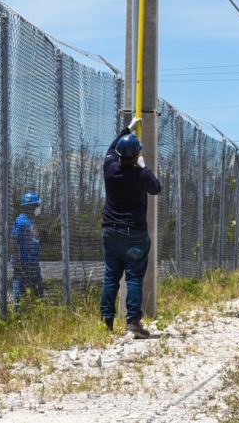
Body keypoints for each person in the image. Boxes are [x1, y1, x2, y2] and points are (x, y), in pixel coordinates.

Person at [100, 117, 162, 338]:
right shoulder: (141, 174)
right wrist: (144, 166)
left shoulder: (109, 168)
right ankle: (133, 324)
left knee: (111, 277)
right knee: (134, 278)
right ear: (136, 156)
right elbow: (156, 188)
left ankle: (106, 323)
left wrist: (127, 128)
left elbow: (111, 147)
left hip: (111, 231)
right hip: (134, 233)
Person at [11, 191, 45, 304]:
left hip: (33, 262)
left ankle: (36, 309)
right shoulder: (21, 222)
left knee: (38, 289)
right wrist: (20, 264)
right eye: (36, 206)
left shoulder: (30, 222)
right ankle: (18, 311)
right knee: (20, 290)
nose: (38, 209)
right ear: (31, 207)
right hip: (23, 263)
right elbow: (17, 244)